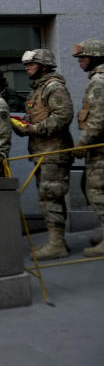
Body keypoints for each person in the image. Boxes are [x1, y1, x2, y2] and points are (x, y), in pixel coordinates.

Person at [11, 49, 74, 260]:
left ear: (44, 66)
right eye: (26, 65)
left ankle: (57, 244)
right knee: (49, 197)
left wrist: (33, 129)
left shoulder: (53, 88)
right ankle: (57, 241)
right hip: (43, 154)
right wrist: (24, 126)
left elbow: (63, 117)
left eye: (31, 64)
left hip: (53, 153)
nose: (27, 68)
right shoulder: (38, 90)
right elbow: (40, 119)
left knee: (50, 197)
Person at [72, 39, 104, 257]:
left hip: (100, 149)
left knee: (97, 192)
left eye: (83, 57)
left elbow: (99, 117)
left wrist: (83, 142)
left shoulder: (99, 81)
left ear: (94, 57)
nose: (80, 62)